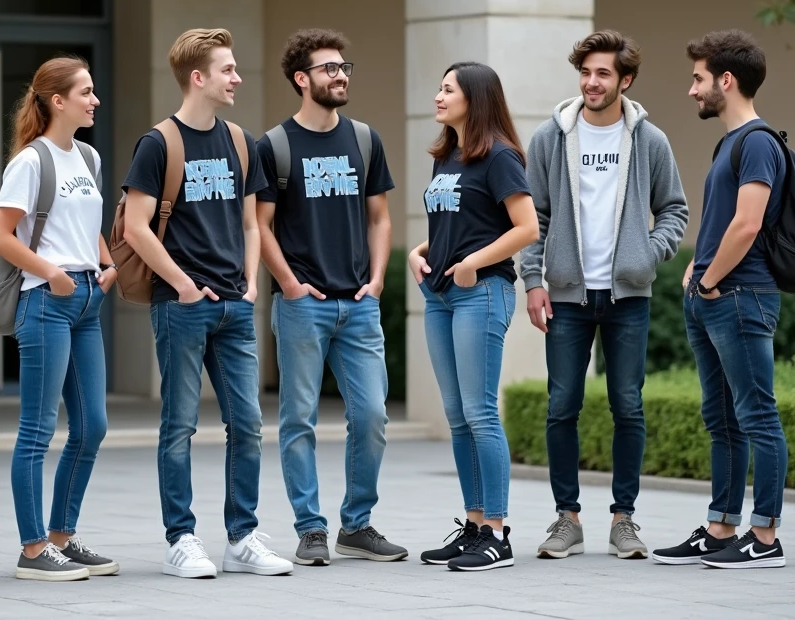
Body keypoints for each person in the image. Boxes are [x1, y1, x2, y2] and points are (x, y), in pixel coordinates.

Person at [121, 28, 293, 579]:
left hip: (235, 309)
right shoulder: (158, 144)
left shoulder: (241, 142)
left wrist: (248, 283)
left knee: (247, 424)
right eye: (228, 69)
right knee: (179, 426)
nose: (237, 77)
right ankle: (181, 539)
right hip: (181, 305)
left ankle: (241, 538)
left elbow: (249, 222)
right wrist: (184, 284)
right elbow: (136, 227)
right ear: (199, 78)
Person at [520, 31, 688, 560]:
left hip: (628, 298)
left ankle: (624, 519)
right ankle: (567, 519)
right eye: (586, 73)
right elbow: (533, 218)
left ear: (625, 80)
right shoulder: (552, 137)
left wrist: (646, 254)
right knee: (561, 406)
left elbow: (675, 211)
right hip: (568, 295)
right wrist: (533, 281)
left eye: (603, 74)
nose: (592, 83)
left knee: (628, 407)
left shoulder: (649, 140)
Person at [256, 29, 406, 566]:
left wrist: (379, 278)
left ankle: (357, 525)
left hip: (359, 304)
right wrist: (290, 284)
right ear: (302, 78)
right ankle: (311, 528)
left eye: (345, 67)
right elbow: (262, 226)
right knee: (299, 418)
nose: (340, 75)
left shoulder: (364, 139)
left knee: (371, 415)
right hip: (303, 305)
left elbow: (380, 218)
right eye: (328, 69)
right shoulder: (273, 146)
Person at [654, 30, 789, 569]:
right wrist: (696, 272)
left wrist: (709, 280)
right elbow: (720, 222)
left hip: (738, 296)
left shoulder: (757, 141)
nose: (692, 90)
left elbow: (748, 223)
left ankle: (766, 537)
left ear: (725, 81)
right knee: (723, 420)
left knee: (756, 415)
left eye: (698, 79)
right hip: (712, 296)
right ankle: (720, 528)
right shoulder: (729, 143)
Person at [0, 55, 118, 582]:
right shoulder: (30, 162)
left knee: (92, 426)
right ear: (57, 101)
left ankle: (62, 537)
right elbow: (1, 236)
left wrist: (106, 264)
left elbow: (85, 224)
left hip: (87, 300)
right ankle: (34, 549)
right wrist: (53, 273)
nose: (95, 100)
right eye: (85, 92)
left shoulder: (87, 157)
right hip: (46, 300)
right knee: (37, 431)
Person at [408, 62, 539, 572]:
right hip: (441, 295)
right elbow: (458, 223)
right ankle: (475, 524)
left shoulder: (500, 156)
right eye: (438, 87)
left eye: (448, 89)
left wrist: (472, 264)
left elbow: (525, 227)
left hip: (481, 293)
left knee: (480, 412)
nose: (438, 96)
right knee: (458, 416)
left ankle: (498, 534)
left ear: (475, 98)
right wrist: (419, 252)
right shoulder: (448, 155)